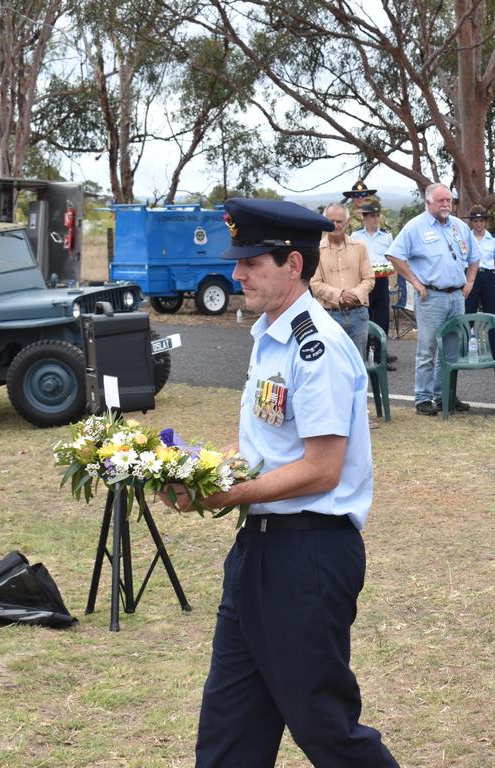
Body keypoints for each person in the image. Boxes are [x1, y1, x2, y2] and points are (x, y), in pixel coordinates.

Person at [164, 198, 400, 768]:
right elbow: (269, 450)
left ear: (293, 264)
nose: (237, 273)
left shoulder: (313, 346)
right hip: (260, 548)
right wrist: (196, 470)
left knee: (325, 728)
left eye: (251, 262)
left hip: (308, 554)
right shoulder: (271, 335)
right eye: (238, 262)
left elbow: (322, 468)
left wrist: (227, 495)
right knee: (231, 729)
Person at [386, 183, 478, 415]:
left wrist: (470, 282)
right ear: (428, 202)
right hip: (431, 297)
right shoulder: (415, 227)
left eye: (449, 200)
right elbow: (394, 255)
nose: (446, 204)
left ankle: (445, 395)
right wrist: (414, 282)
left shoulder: (459, 226)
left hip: (456, 296)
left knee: (451, 351)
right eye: (441, 201)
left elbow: (475, 257)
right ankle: (423, 398)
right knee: (427, 350)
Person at [310, 202, 375, 361]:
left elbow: (369, 278)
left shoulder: (360, 247)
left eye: (339, 221)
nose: (335, 225)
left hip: (358, 315)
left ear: (346, 222)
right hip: (329, 315)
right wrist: (340, 295)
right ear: (324, 221)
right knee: (331, 364)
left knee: (358, 363)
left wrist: (354, 294)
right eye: (331, 221)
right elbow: (315, 283)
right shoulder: (316, 250)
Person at [352, 202, 397, 370]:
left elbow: (392, 258)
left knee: (382, 320)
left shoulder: (386, 236)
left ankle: (380, 359)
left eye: (377, 215)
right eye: (372, 216)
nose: (376, 219)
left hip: (382, 281)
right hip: (363, 282)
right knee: (363, 320)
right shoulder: (356, 237)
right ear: (364, 217)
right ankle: (362, 359)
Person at [462, 205, 495, 360]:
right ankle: (464, 350)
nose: (478, 224)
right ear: (472, 222)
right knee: (468, 313)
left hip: (488, 276)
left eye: (481, 221)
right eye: (475, 221)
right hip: (470, 277)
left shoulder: (493, 240)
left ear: (485, 222)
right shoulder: (466, 239)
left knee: (492, 314)